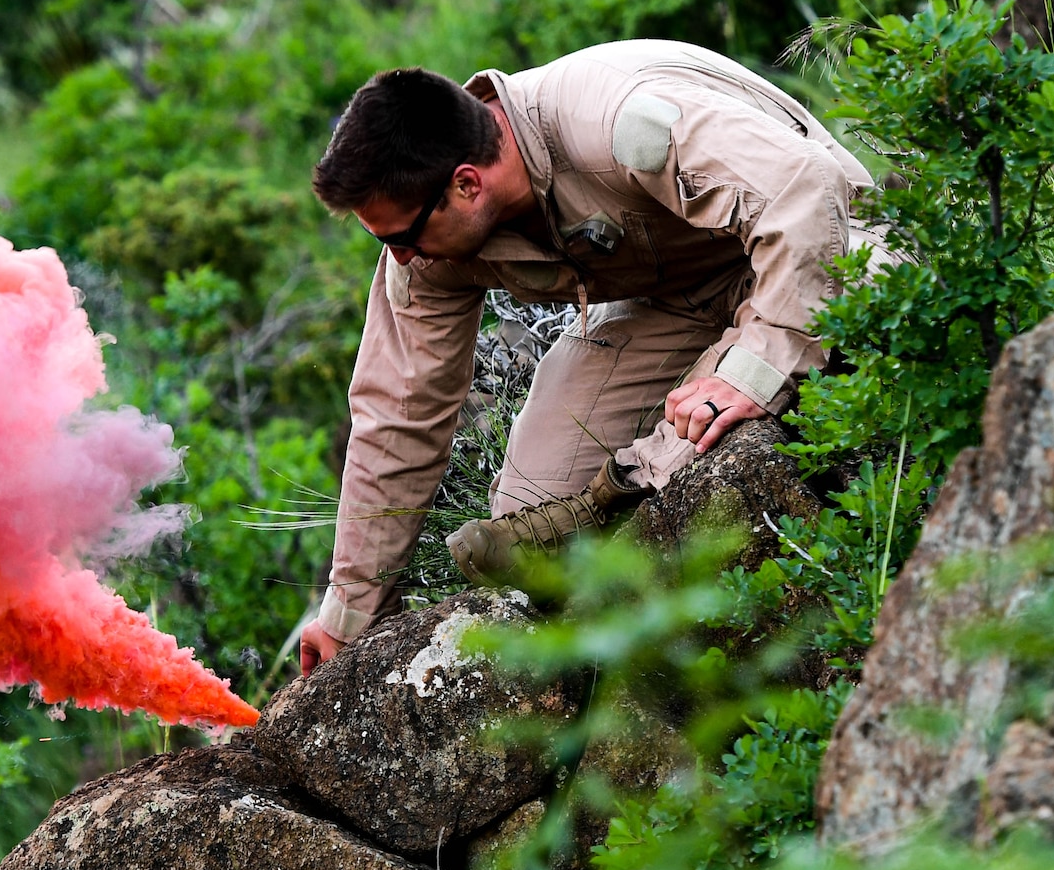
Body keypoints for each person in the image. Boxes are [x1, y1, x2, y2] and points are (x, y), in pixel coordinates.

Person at [298, 41, 876, 675]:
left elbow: (805, 192)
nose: (399, 258)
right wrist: (349, 613)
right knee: (527, 514)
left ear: (465, 184)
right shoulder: (424, 242)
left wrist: (752, 367)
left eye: (400, 238)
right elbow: (397, 411)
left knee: (747, 386)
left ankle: (613, 498)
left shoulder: (618, 121)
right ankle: (598, 527)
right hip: (677, 299)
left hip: (833, 246)